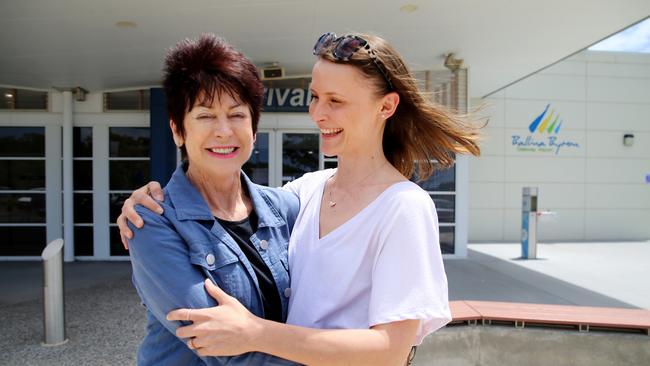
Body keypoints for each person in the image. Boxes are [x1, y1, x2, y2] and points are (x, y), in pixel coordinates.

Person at [119, 32, 481, 365]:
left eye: (336, 100)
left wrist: (257, 332)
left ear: (386, 108)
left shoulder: (404, 206)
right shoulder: (304, 194)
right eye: (315, 97)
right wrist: (146, 200)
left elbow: (391, 351)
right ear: (178, 129)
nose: (318, 113)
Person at [124, 34, 299, 365]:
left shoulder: (285, 208)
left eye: (237, 115)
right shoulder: (152, 221)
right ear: (178, 130)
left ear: (254, 128)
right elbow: (220, 347)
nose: (223, 131)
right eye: (205, 116)